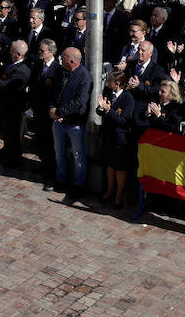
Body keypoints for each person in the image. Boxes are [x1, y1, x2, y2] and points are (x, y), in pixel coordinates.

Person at [50, 47, 92, 201]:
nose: (61, 60)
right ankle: (61, 179)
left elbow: (79, 102)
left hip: (75, 122)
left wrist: (60, 112)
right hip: (59, 121)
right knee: (59, 151)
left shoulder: (84, 77)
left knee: (78, 155)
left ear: (72, 61)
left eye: (63, 58)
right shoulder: (61, 72)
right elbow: (54, 92)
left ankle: (78, 185)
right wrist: (53, 109)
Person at [95, 68, 136, 207]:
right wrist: (101, 108)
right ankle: (109, 191)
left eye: (110, 80)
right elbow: (99, 110)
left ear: (118, 83)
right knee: (110, 165)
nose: (108, 83)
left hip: (120, 139)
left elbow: (124, 120)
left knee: (120, 167)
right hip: (108, 136)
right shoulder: (108, 92)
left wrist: (108, 110)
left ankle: (119, 195)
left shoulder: (127, 98)